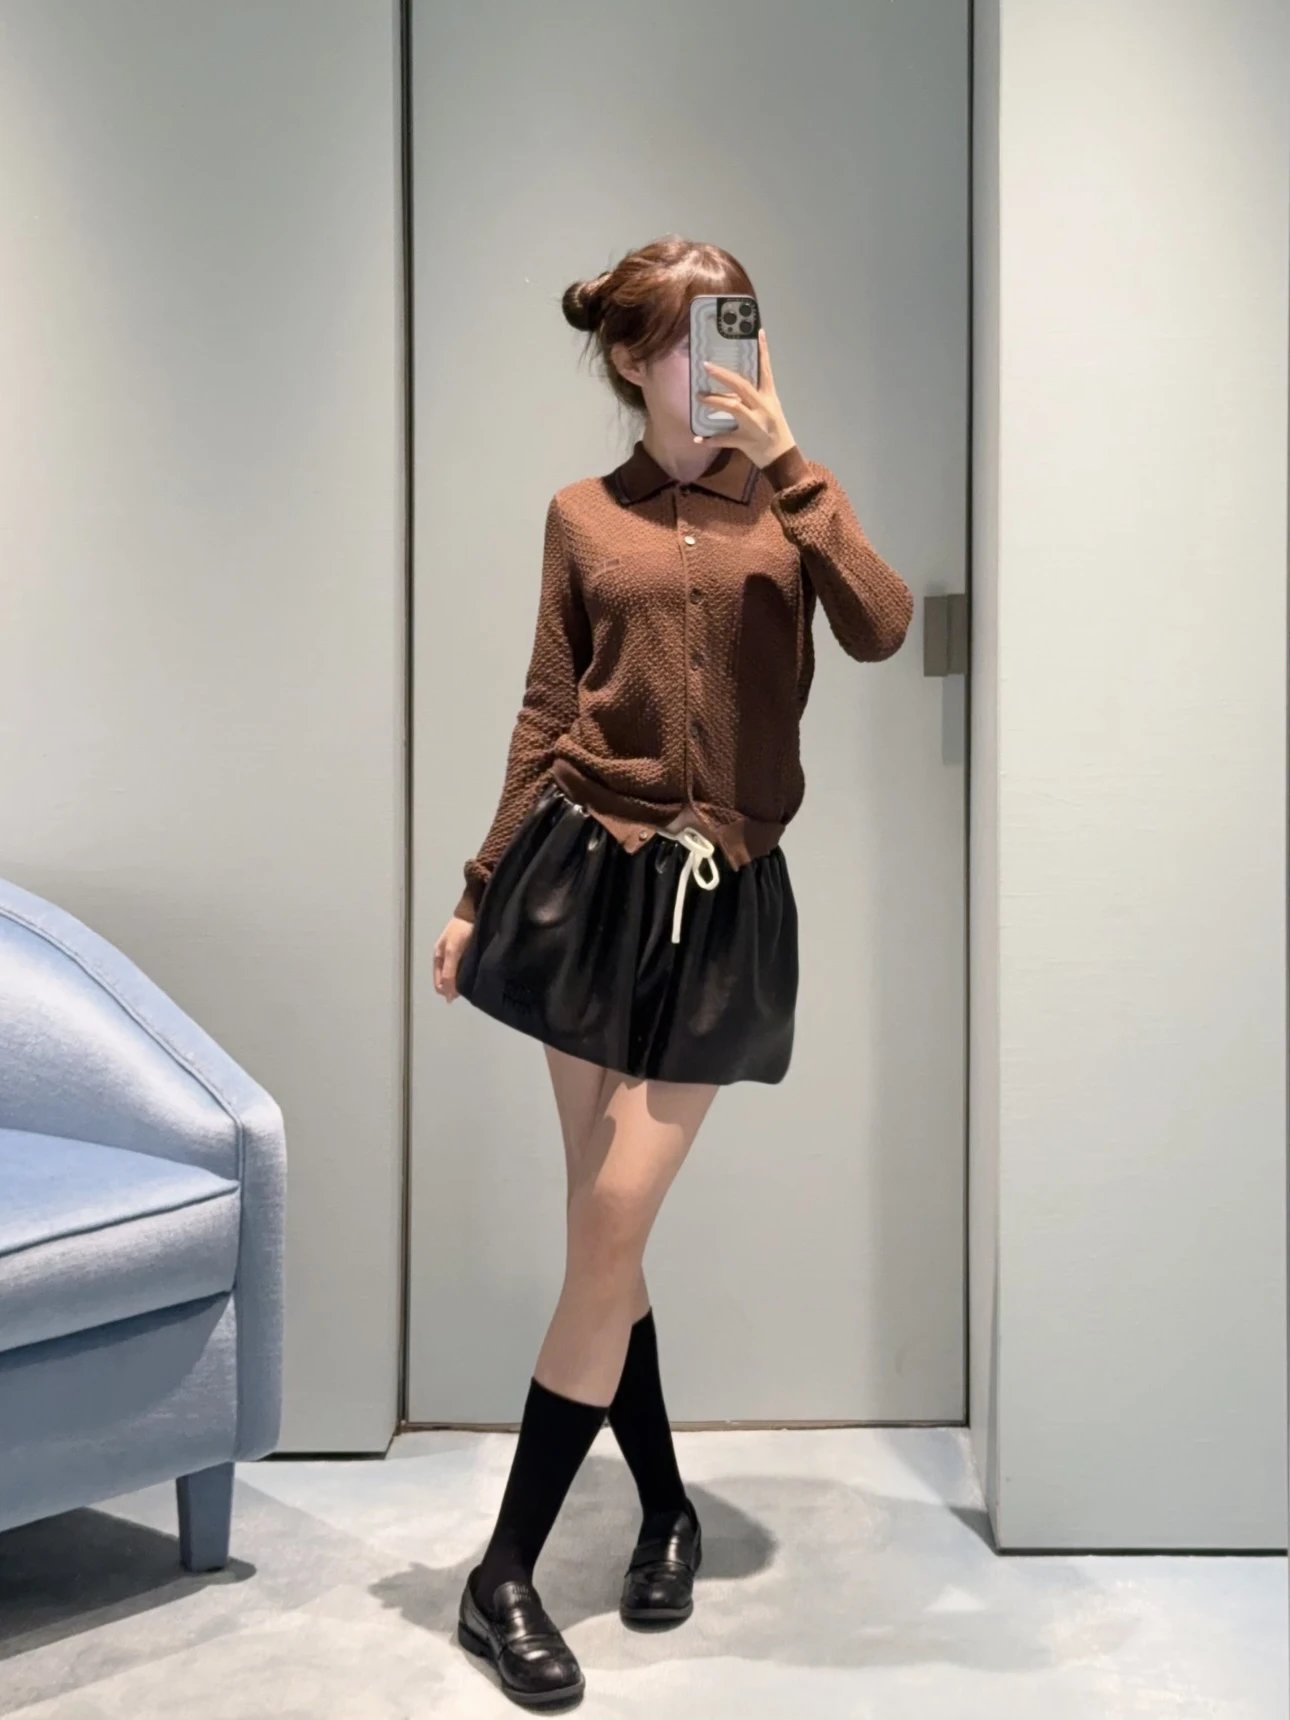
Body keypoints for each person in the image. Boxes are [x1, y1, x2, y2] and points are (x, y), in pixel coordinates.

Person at [434, 234, 914, 1707]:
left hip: (723, 899)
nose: (720, 362)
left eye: (737, 330)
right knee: (608, 1236)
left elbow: (883, 627)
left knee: (609, 1224)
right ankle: (665, 1513)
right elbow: (545, 707)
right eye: (693, 337)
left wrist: (794, 467)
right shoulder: (582, 517)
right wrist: (477, 889)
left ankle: (500, 1571)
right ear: (633, 358)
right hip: (581, 884)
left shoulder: (791, 504)